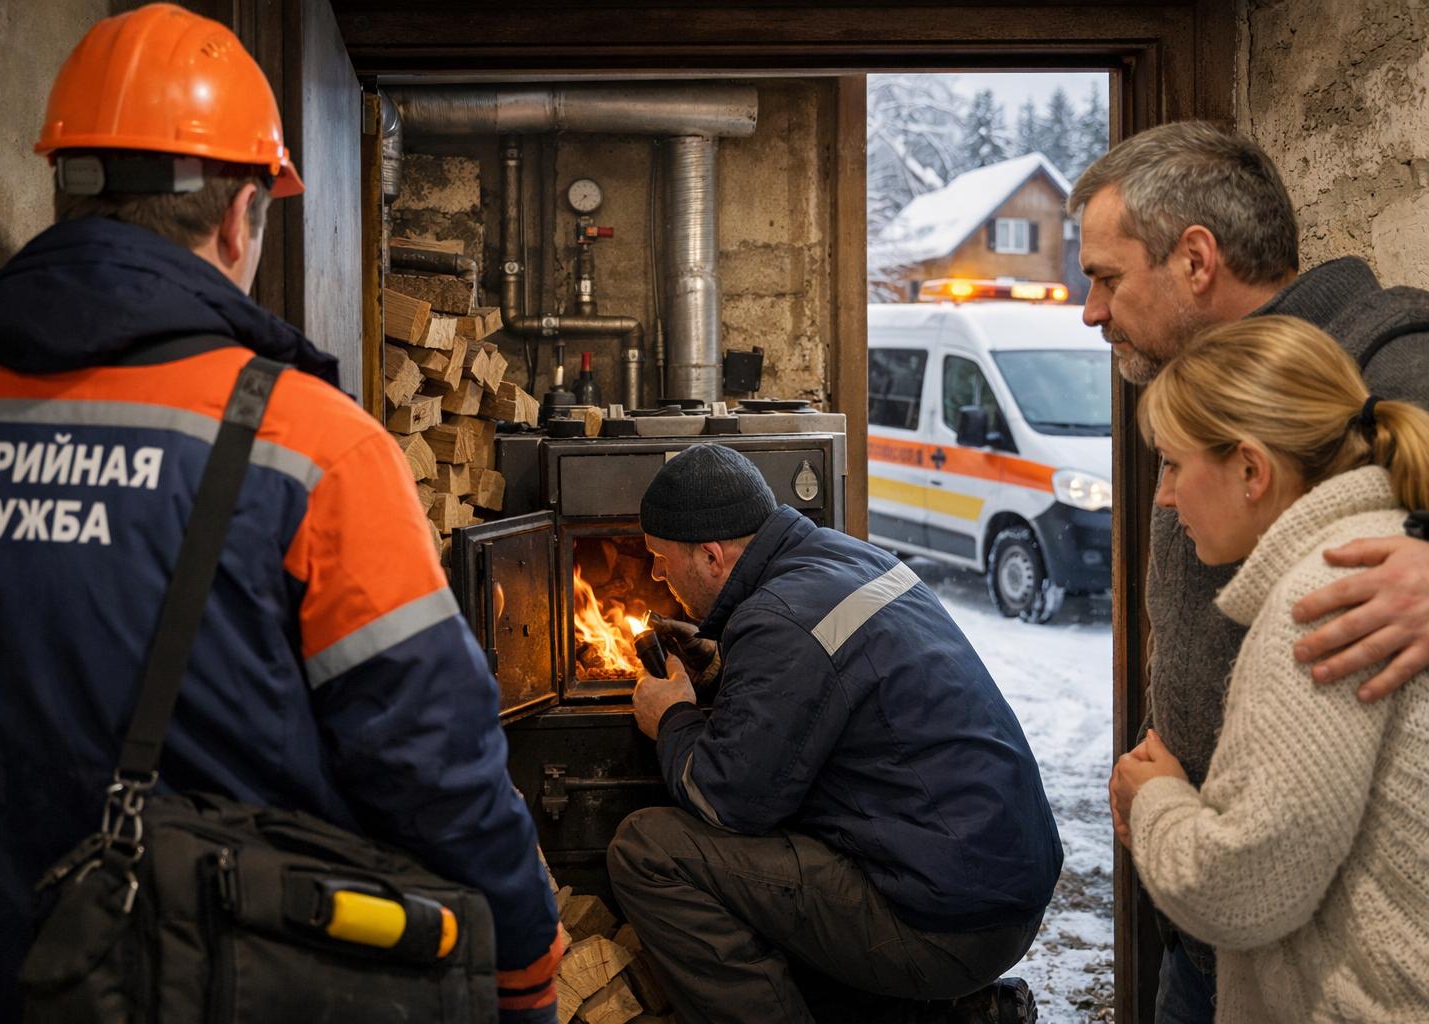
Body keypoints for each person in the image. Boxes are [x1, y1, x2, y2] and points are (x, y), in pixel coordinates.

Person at [0, 6, 561, 1021]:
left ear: (66, 189)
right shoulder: (313, 447)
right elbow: (435, 761)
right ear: (245, 213)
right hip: (199, 978)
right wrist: (522, 962)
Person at [1069, 120, 1429, 1021]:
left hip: (1326, 956)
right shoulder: (1205, 381)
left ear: (1196, 260)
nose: (1092, 311)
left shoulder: (1386, 350)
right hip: (1219, 929)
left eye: (1107, 278)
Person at [605, 443, 1062, 1024]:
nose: (655, 573)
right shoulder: (847, 557)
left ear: (712, 557)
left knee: (649, 850)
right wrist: (724, 670)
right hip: (997, 889)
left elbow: (725, 801)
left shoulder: (781, 622)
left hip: (945, 925)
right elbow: (823, 694)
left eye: (659, 557)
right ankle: (949, 1013)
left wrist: (671, 716)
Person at [1109, 315, 1429, 1022]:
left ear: (1251, 470)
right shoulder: (1374, 553)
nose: (1163, 496)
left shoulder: (1324, 598)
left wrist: (1155, 800)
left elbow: (1247, 888)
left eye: (1173, 464)